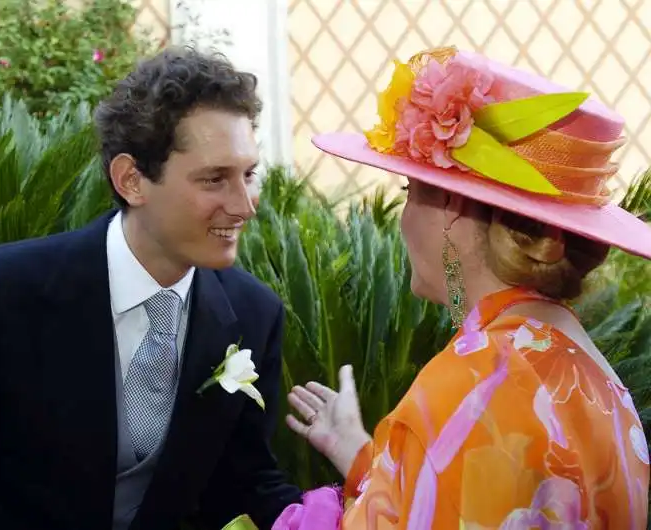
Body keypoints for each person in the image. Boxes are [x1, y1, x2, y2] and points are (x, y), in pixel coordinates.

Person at [0, 46, 301, 530]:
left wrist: (359, 492)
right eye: (215, 179)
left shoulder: (253, 314)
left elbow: (244, 483)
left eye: (249, 174)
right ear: (131, 180)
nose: (245, 205)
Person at [272, 46, 651, 529]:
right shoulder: (596, 375)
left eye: (410, 191)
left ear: (451, 204)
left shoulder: (473, 379)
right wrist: (360, 452)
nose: (403, 221)